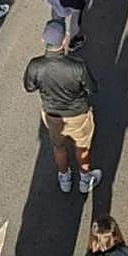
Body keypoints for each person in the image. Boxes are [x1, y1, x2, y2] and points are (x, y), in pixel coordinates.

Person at [24, 20, 102, 194]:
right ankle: (84, 179)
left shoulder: (35, 65)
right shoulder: (77, 66)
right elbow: (92, 88)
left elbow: (29, 87)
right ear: (65, 40)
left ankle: (64, 178)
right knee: (82, 147)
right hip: (78, 114)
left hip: (52, 115)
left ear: (43, 41)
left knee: (58, 147)